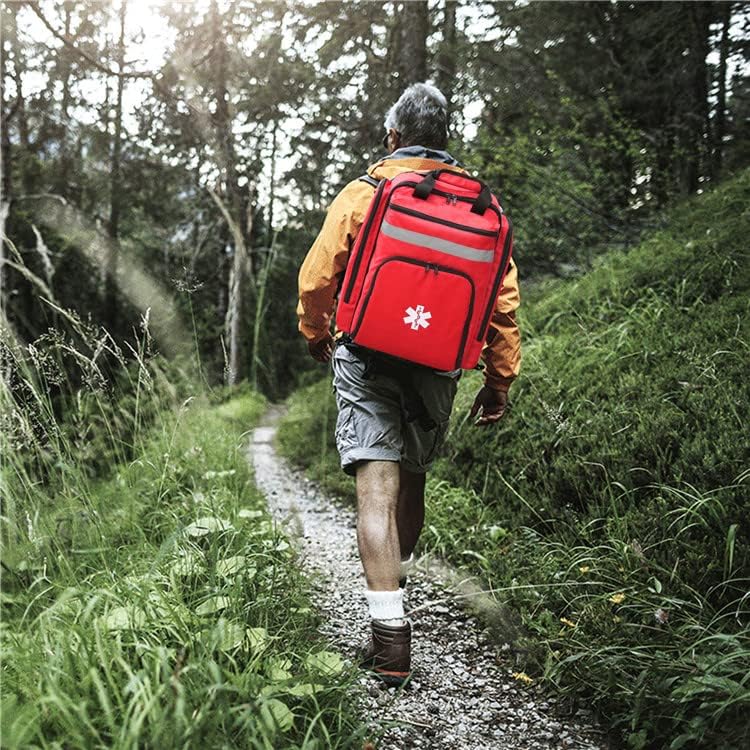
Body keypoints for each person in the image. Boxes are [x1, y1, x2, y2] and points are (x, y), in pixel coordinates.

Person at [296, 82, 521, 685]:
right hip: (438, 367)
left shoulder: (365, 192)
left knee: (376, 490)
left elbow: (318, 276)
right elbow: (502, 304)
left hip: (366, 357)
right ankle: (395, 591)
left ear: (393, 135)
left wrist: (317, 330)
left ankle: (389, 637)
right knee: (411, 483)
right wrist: (498, 383)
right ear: (445, 139)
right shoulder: (483, 210)